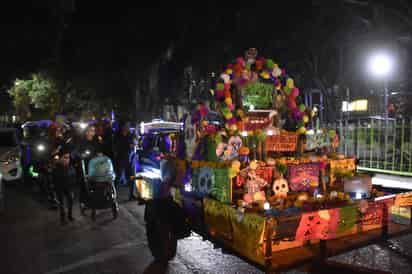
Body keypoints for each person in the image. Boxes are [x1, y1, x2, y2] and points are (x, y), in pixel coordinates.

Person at [76, 125, 101, 214]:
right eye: (90, 130)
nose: (92, 132)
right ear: (86, 132)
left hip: (94, 165)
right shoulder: (81, 141)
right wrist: (81, 155)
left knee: (95, 183)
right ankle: (83, 202)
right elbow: (77, 152)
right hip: (84, 165)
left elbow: (99, 150)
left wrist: (99, 154)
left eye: (93, 131)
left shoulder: (96, 141)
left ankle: (94, 200)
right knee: (84, 184)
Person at [53, 148, 76, 225]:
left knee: (70, 201)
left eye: (68, 157)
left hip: (68, 187)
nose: (67, 159)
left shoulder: (70, 166)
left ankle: (69, 216)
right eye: (65, 157)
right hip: (59, 187)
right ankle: (63, 219)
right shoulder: (56, 167)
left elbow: (73, 176)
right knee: (62, 204)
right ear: (61, 158)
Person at [113, 122, 136, 200]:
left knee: (131, 176)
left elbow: (133, 144)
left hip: (129, 158)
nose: (128, 127)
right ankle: (113, 194)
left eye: (128, 126)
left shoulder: (130, 135)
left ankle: (131, 194)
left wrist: (132, 145)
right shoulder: (117, 135)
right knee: (118, 176)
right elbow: (116, 146)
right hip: (120, 158)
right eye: (126, 126)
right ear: (122, 127)